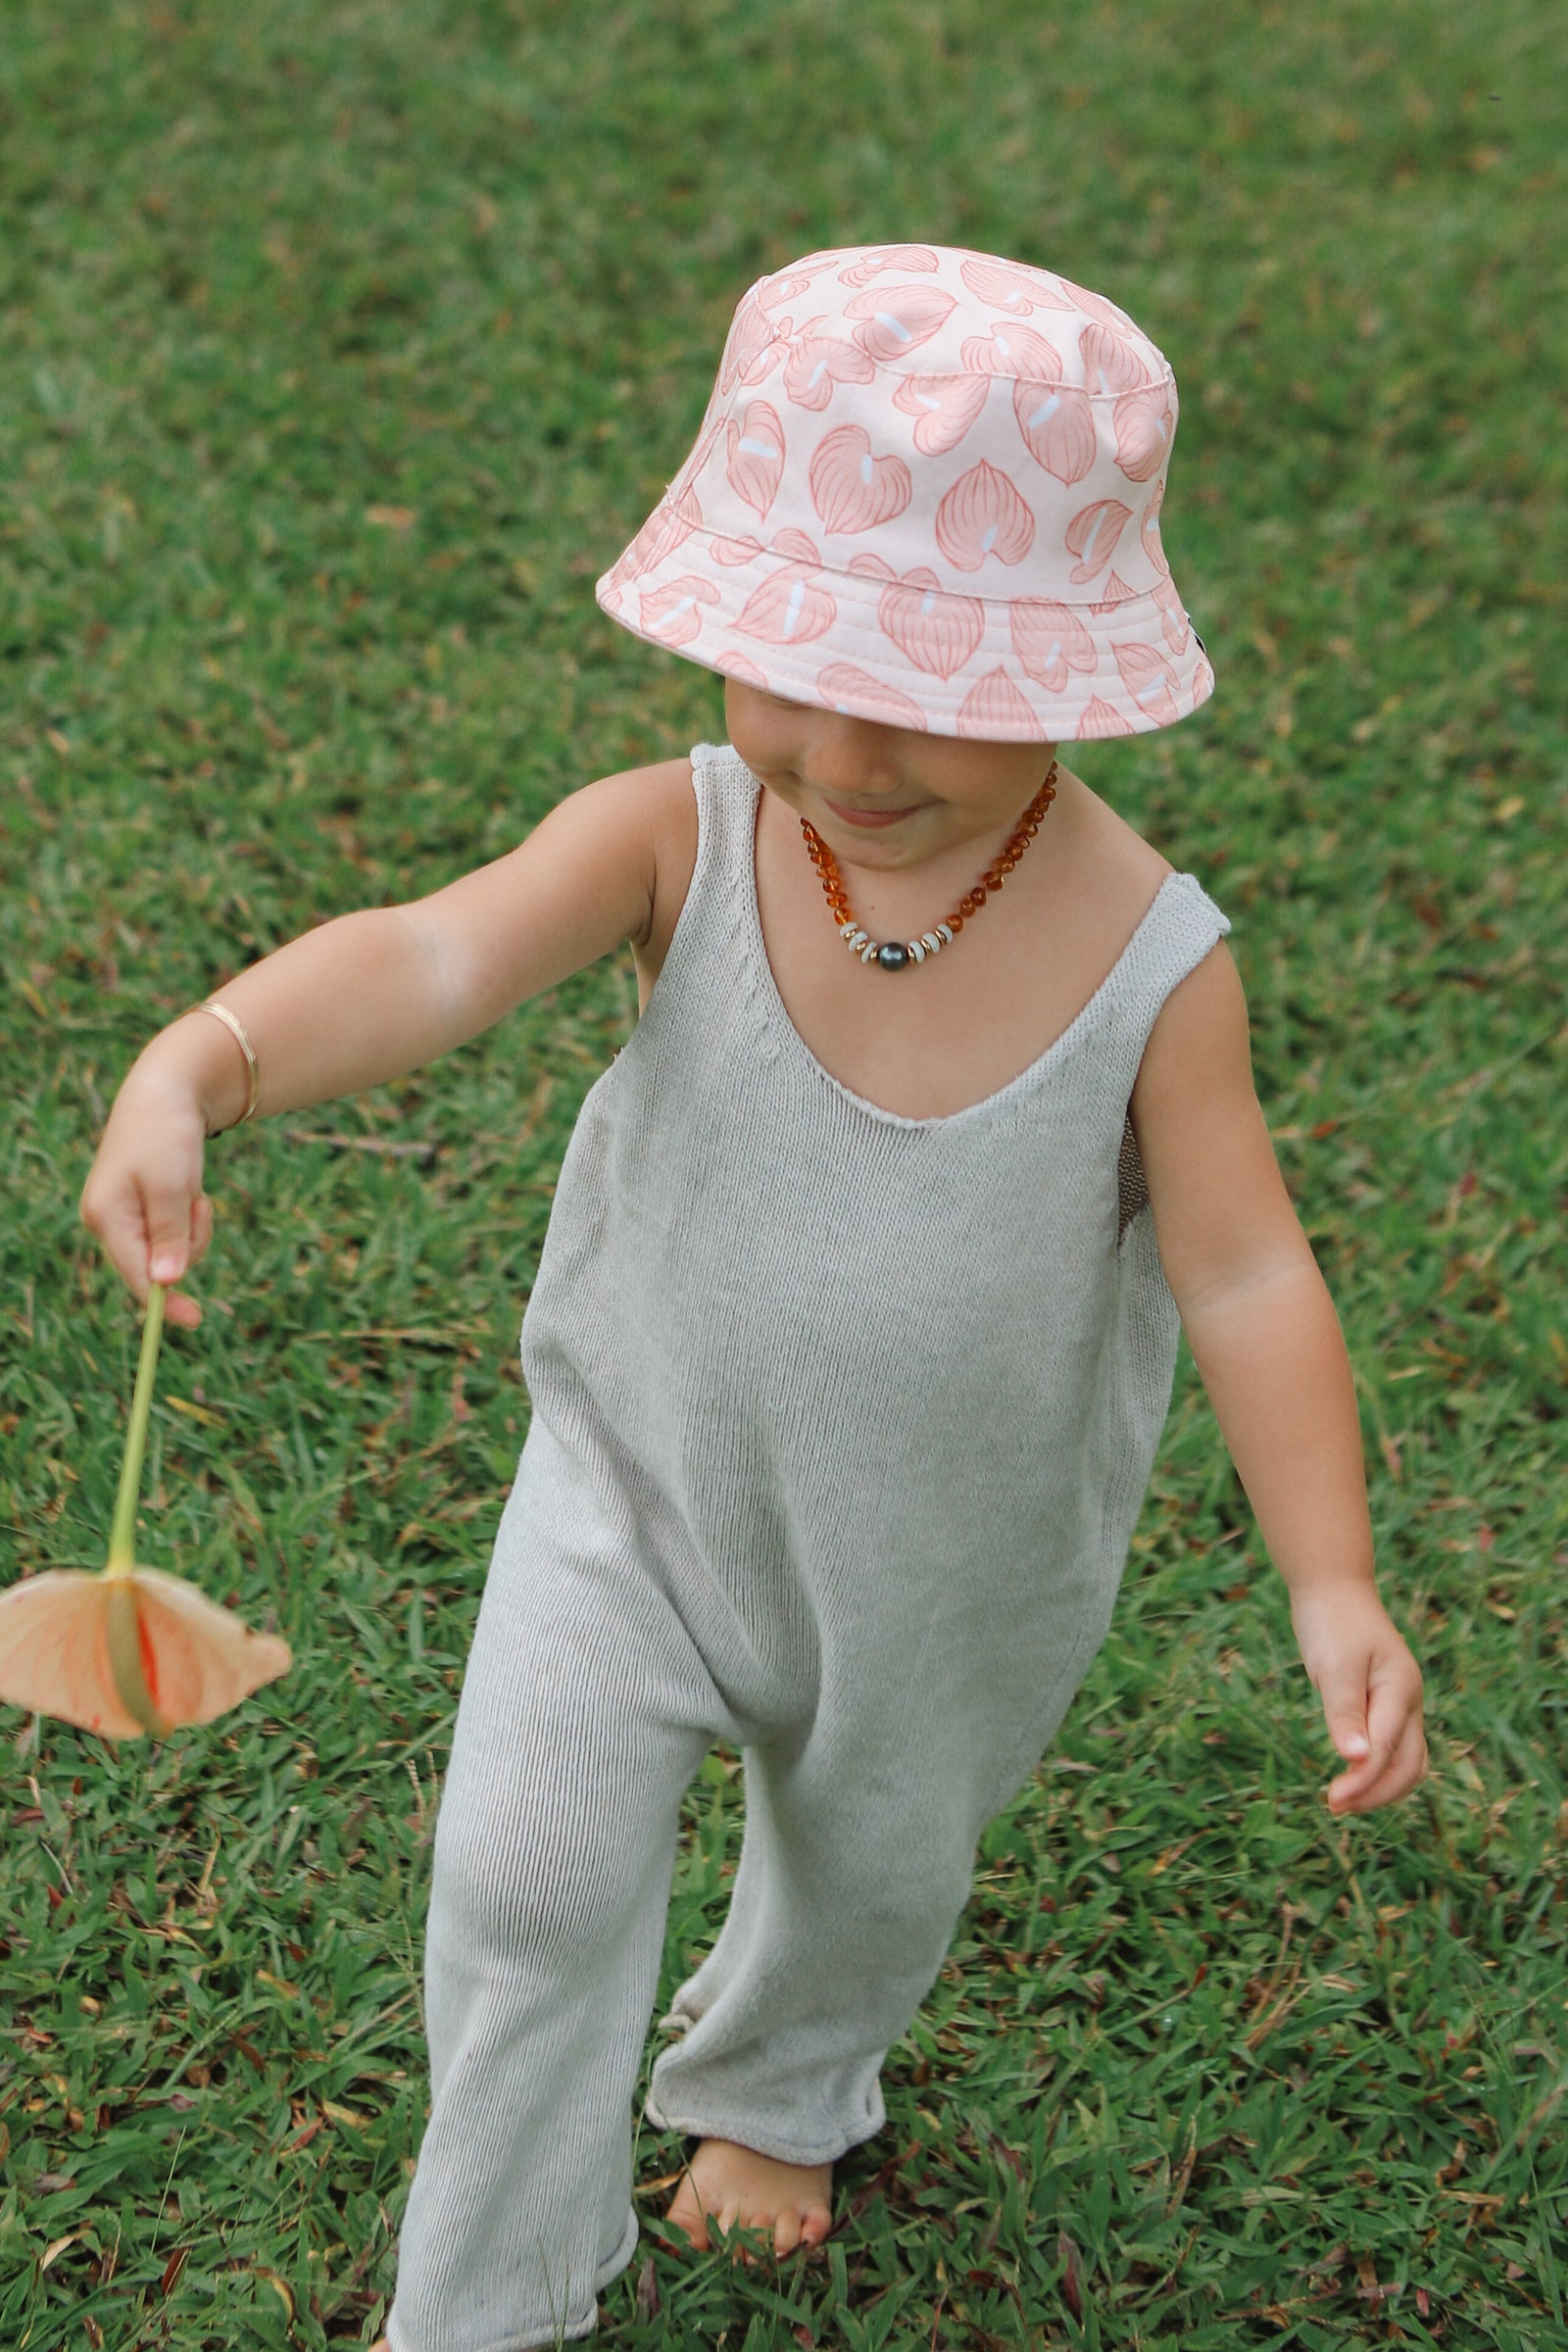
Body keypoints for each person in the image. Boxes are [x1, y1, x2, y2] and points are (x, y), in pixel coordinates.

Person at [79, 245, 1427, 2352]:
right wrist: (207, 1060)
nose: (846, 747)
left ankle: (780, 2084)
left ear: (1064, 669)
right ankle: (489, 2293)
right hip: (635, 1484)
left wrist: (1327, 1581)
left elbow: (1243, 1267)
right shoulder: (686, 837)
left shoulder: (1155, 966)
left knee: (867, 1877)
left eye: (928, 697)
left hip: (943, 1570)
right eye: (794, 668)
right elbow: (436, 951)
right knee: (518, 1883)